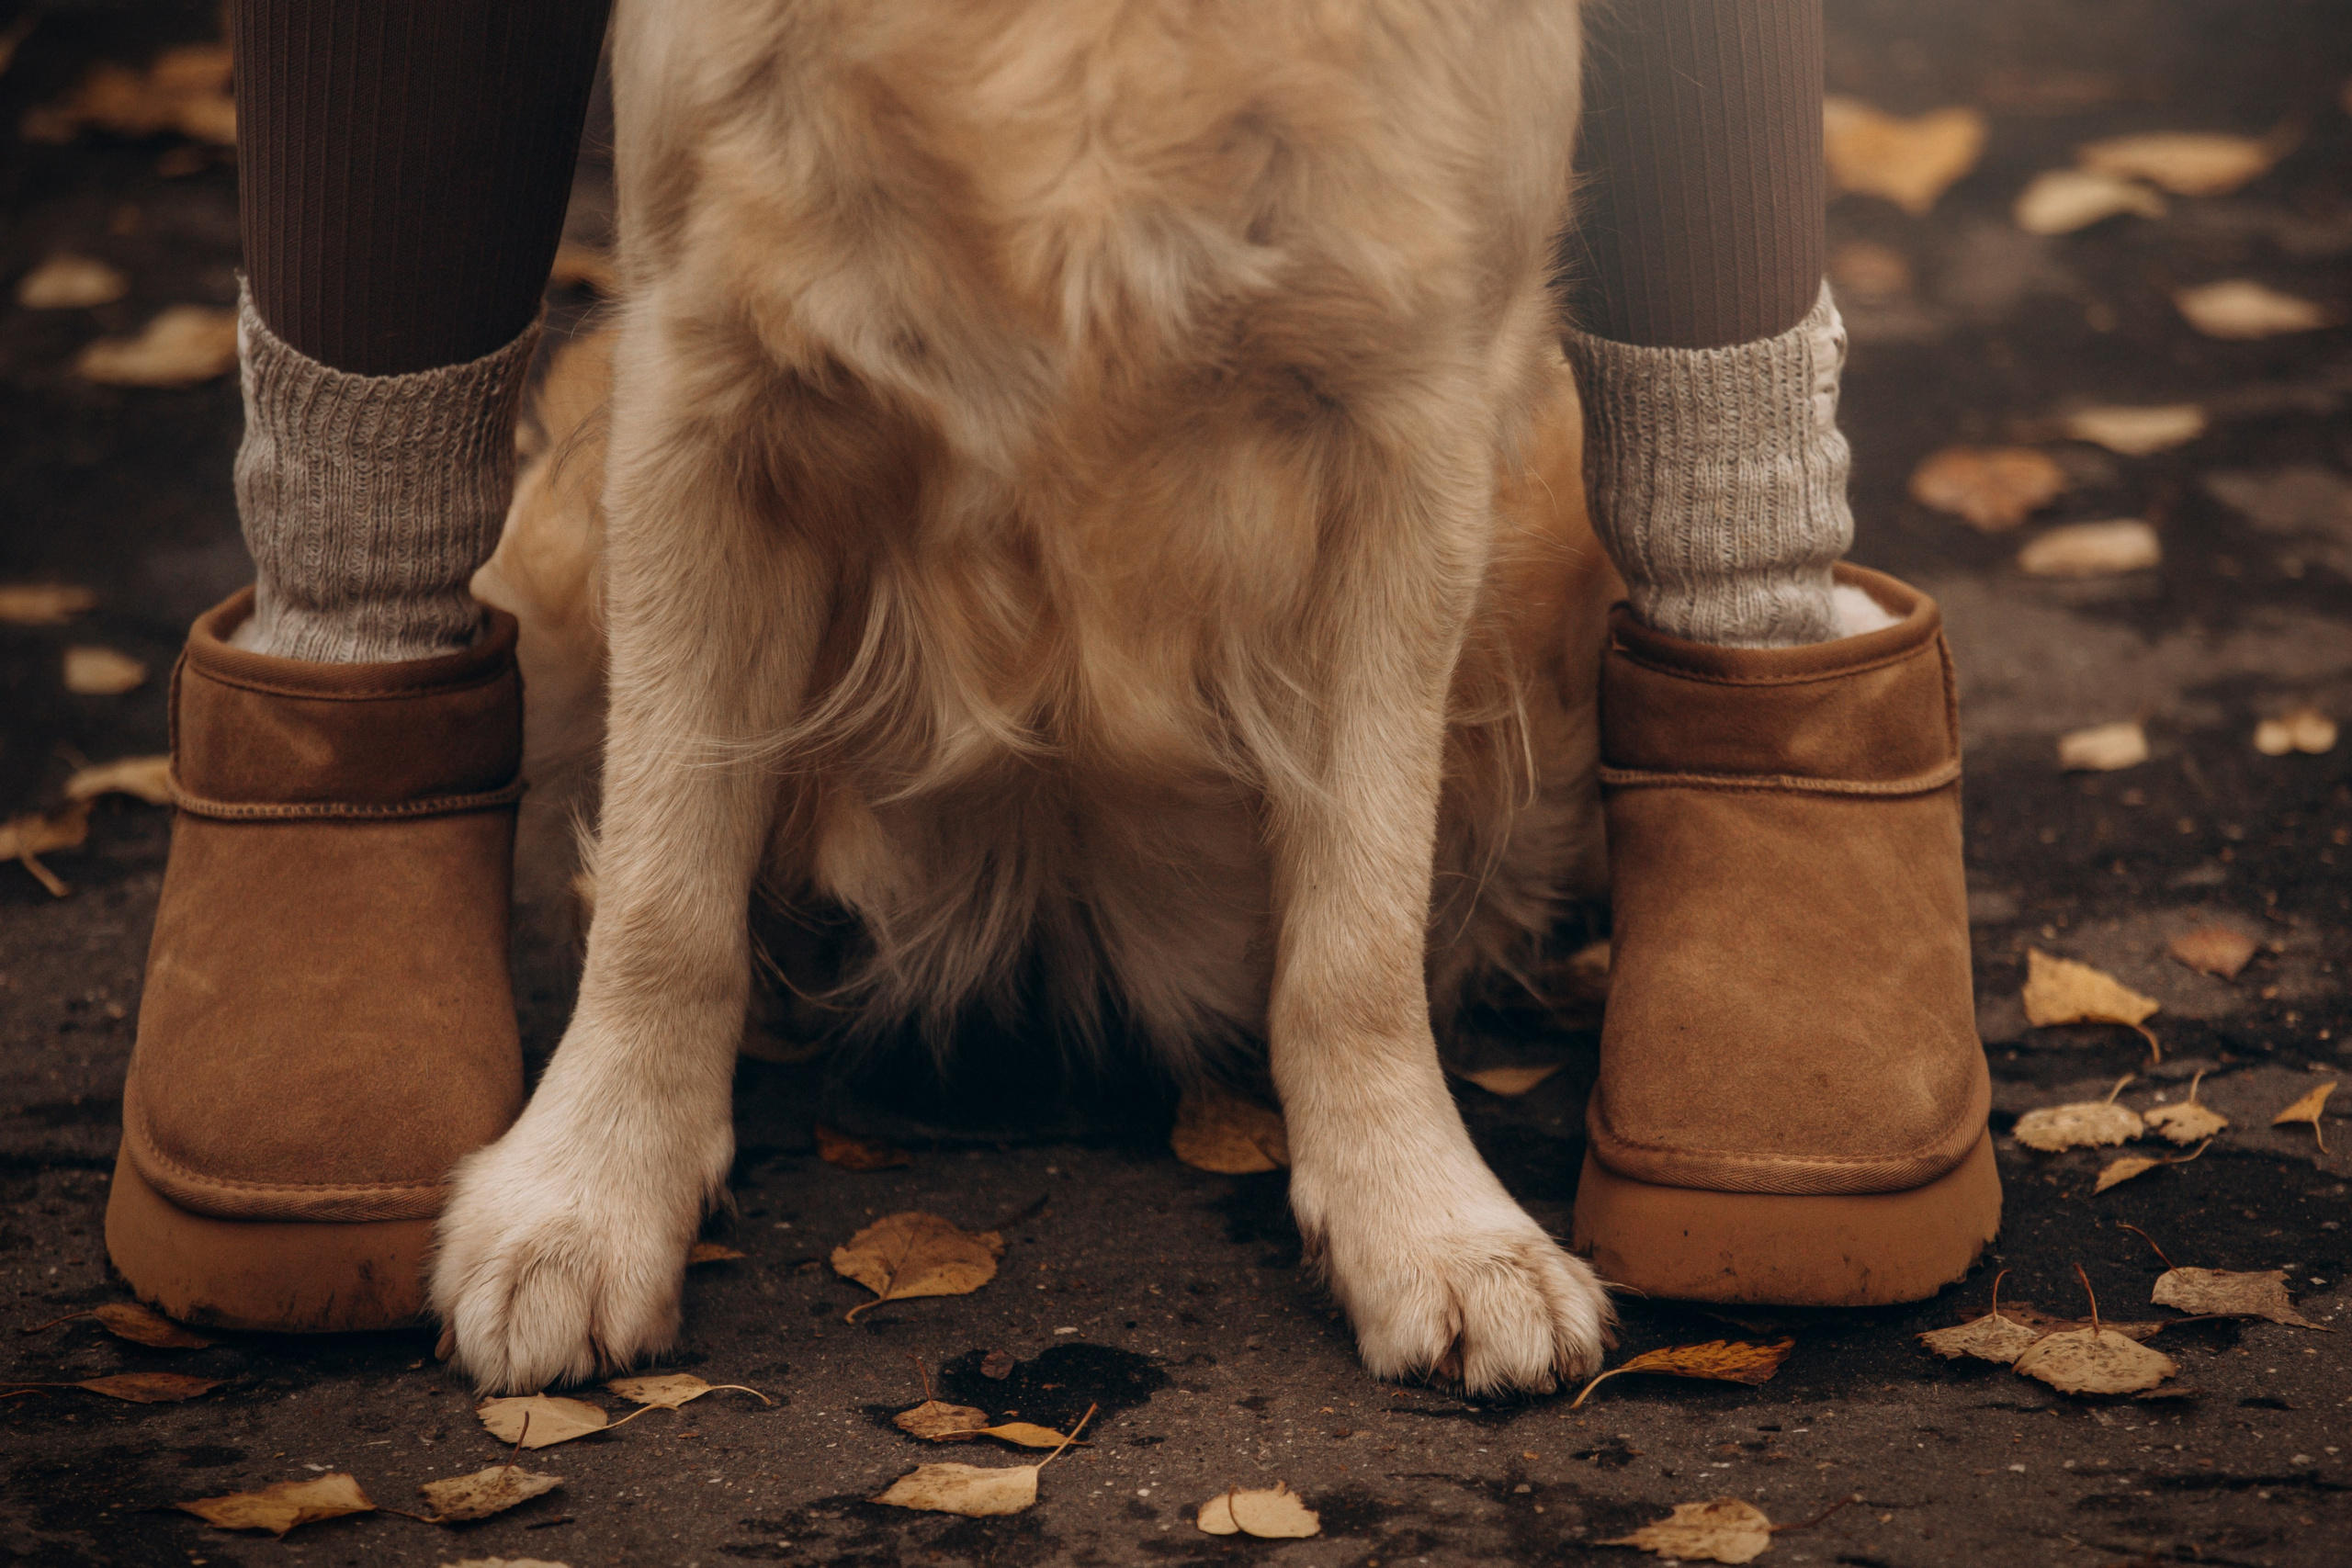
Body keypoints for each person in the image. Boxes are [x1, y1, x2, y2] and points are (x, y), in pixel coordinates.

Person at [106, 0, 1996, 1330]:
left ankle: (1749, 646)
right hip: (834, 797)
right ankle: (352, 664)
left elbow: (1401, 420)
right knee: (704, 351)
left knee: (1468, 424)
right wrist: (643, 1031)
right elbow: (726, 408)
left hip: (1363, 738)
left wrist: (1361, 1070)